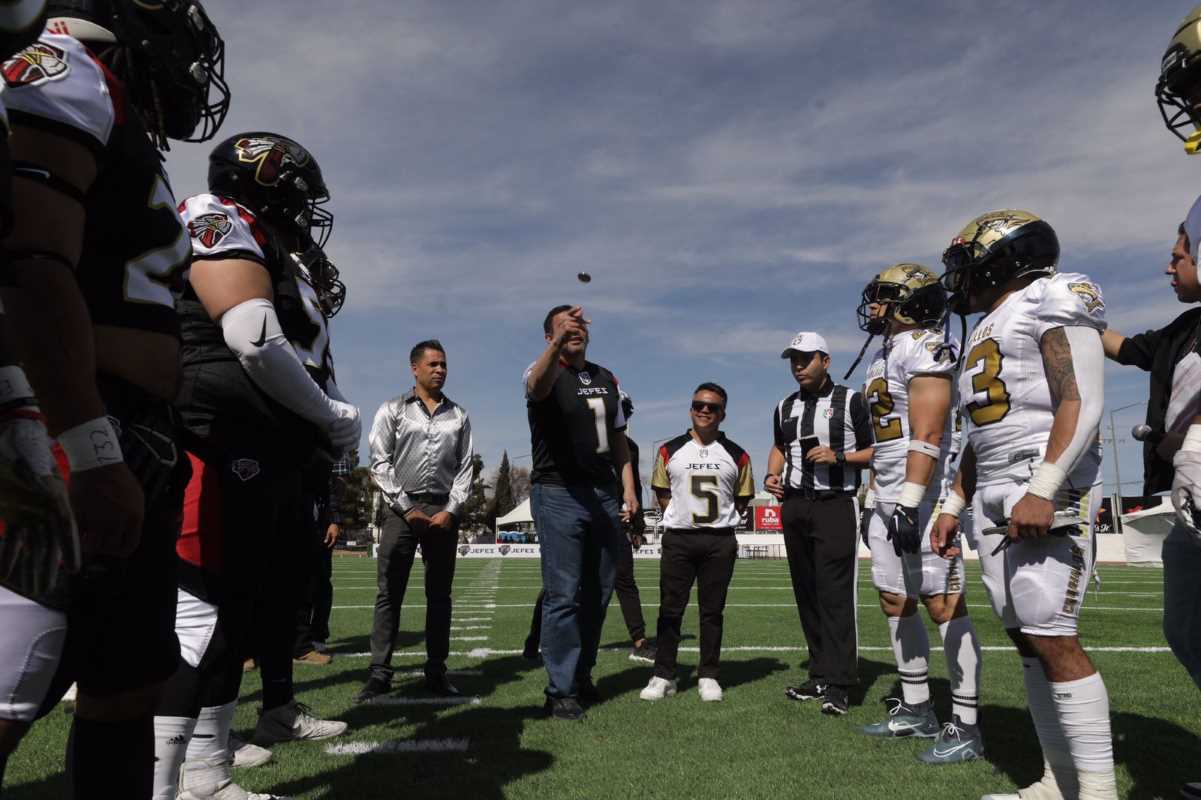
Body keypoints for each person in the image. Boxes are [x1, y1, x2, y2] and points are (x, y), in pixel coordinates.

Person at [1, 2, 229, 796]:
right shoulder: (64, 69)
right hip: (70, 418)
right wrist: (87, 443)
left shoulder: (112, 98)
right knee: (12, 686)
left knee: (125, 688)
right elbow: (27, 261)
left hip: (133, 430)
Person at [156, 131, 355, 799]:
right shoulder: (216, 213)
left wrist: (321, 425)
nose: (306, 216)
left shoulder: (272, 247)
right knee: (201, 619)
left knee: (236, 616)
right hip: (214, 437)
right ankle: (166, 783)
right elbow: (251, 336)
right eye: (298, 199)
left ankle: (207, 775)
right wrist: (330, 415)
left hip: (265, 445)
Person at [932, 210, 1116, 800]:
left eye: (967, 263)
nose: (959, 277)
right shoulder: (989, 323)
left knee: (1052, 634)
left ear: (1003, 258)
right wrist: (951, 503)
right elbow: (981, 432)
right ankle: (1056, 782)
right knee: (1026, 638)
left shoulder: (1050, 295)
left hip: (1039, 476)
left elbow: (1080, 398)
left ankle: (1098, 791)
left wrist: (1045, 486)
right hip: (992, 484)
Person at [853, 264, 984, 763]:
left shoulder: (926, 346)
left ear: (911, 301)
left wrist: (910, 503)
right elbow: (887, 440)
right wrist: (876, 499)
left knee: (943, 604)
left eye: (884, 296)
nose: (874, 305)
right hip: (887, 496)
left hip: (923, 498)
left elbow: (927, 433)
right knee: (894, 599)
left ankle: (966, 724)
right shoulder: (882, 356)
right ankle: (916, 707)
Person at [524, 304, 638, 721]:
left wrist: (629, 488)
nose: (573, 330)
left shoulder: (607, 377)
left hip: (603, 492)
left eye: (577, 325)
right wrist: (556, 345)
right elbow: (536, 387)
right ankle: (560, 690)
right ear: (548, 336)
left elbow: (619, 438)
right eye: (562, 327)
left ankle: (582, 674)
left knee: (599, 592)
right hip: (559, 491)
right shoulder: (543, 370)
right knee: (563, 595)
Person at [357, 340, 474, 703]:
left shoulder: (459, 415)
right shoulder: (392, 409)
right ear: (415, 368)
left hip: (442, 511)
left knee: (440, 596)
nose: (440, 370)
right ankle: (379, 673)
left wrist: (451, 510)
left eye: (444, 365)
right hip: (400, 511)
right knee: (389, 593)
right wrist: (407, 508)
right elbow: (379, 462)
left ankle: (436, 671)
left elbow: (465, 468)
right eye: (433, 364)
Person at [765, 331, 873, 716]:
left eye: (805, 358)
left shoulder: (851, 400)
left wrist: (838, 457)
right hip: (795, 505)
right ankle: (820, 673)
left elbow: (876, 450)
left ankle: (841, 682)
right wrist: (771, 474)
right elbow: (780, 446)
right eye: (793, 359)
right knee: (807, 593)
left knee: (835, 593)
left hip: (835, 503)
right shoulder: (785, 406)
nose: (798, 365)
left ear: (825, 361)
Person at [523, 391, 656, 664]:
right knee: (561, 584)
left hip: (614, 519)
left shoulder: (629, 447)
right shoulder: (576, 439)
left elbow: (632, 486)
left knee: (625, 580)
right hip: (577, 515)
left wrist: (637, 524)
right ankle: (535, 638)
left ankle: (640, 639)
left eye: (624, 411)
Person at [639, 383, 753, 703]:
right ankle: (664, 674)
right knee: (670, 609)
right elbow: (663, 493)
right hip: (679, 538)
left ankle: (708, 674)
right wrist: (682, 517)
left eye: (712, 407)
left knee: (712, 611)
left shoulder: (737, 454)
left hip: (719, 540)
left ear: (722, 414)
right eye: (699, 405)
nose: (704, 410)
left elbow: (742, 498)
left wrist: (716, 521)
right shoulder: (669, 449)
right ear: (691, 409)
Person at [295, 452, 354, 663]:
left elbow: (334, 483)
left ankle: (311, 640)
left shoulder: (327, 446)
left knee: (318, 584)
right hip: (285, 515)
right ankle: (252, 646)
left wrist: (334, 519)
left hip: (315, 521)